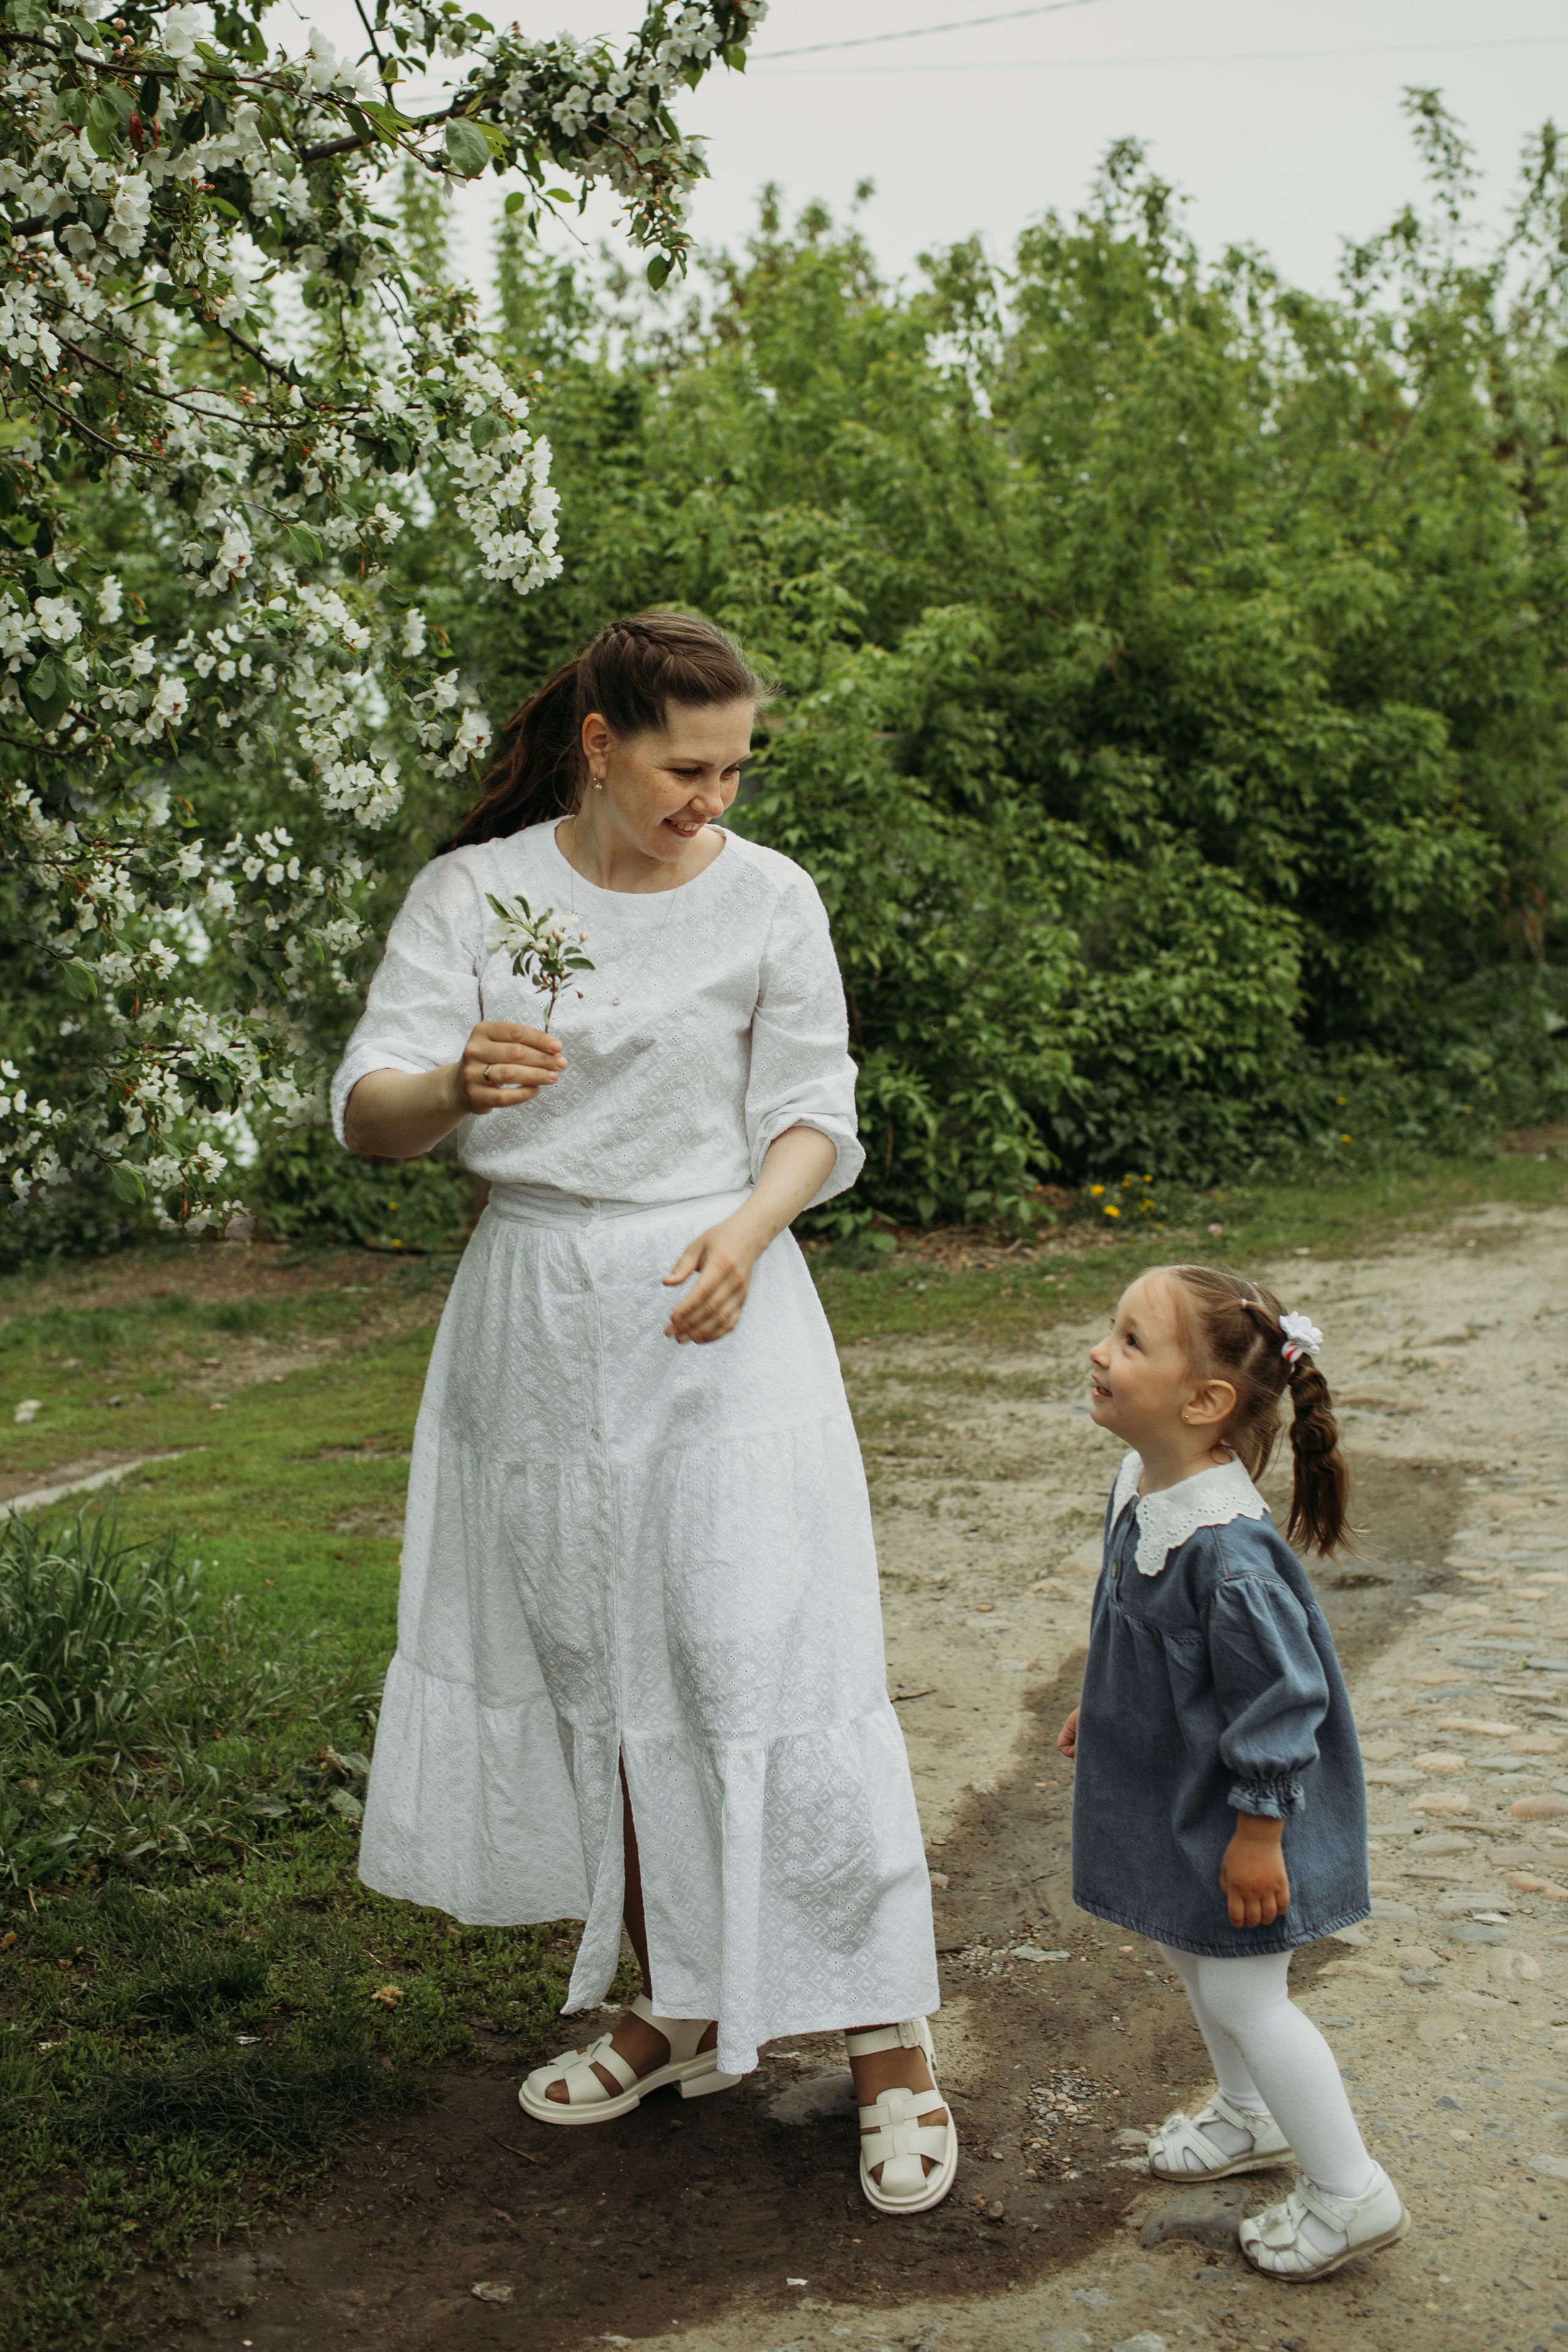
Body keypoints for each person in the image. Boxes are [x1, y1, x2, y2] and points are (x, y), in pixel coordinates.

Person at [332, 611, 956, 2217]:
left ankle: (890, 2043)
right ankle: (674, 2002)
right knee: (597, 1670)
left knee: (776, 1658)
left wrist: (749, 1232)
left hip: (719, 1306)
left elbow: (817, 1111)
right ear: (601, 746)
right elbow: (372, 1112)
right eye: (690, 768)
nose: (715, 799)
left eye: (736, 766)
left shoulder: (769, 899)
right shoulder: (478, 900)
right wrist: (454, 1083)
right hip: (535, 1325)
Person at [1057, 1263, 1406, 2282]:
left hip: (1250, 1812)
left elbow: (1284, 1702)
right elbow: (1144, 1629)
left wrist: (1261, 1836)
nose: (1099, 1352)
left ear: (1205, 1402)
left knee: (1253, 1995)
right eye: (1110, 1329)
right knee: (1192, 1952)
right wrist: (1110, 1699)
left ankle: (1351, 2191)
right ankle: (1250, 2115)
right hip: (1187, 1788)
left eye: (1130, 1341)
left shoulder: (1228, 1555)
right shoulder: (1146, 1485)